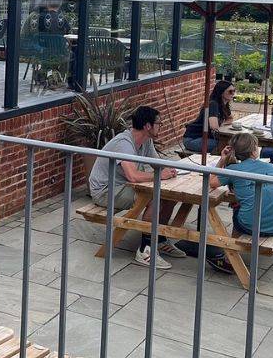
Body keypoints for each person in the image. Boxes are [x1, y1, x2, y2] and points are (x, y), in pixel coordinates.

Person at [89, 106, 184, 269]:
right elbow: (132, 176)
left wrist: (173, 170)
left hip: (122, 186)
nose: (161, 126)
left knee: (170, 194)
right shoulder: (124, 143)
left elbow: (157, 166)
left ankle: (159, 240)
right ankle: (145, 249)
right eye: (159, 123)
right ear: (148, 126)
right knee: (153, 197)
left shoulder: (146, 142)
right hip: (106, 190)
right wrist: (160, 176)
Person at [210, 132, 273, 237]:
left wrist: (222, 160)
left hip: (250, 226)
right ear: (253, 151)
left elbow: (211, 182)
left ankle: (234, 244)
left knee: (236, 206)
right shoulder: (272, 167)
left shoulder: (233, 170)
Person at [182, 80, 236, 153]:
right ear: (221, 92)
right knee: (227, 145)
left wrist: (223, 124)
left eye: (234, 91)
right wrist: (221, 126)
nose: (233, 94)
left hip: (204, 138)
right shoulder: (213, 104)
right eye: (230, 91)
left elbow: (230, 118)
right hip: (193, 139)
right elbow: (214, 127)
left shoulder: (224, 105)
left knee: (230, 143)